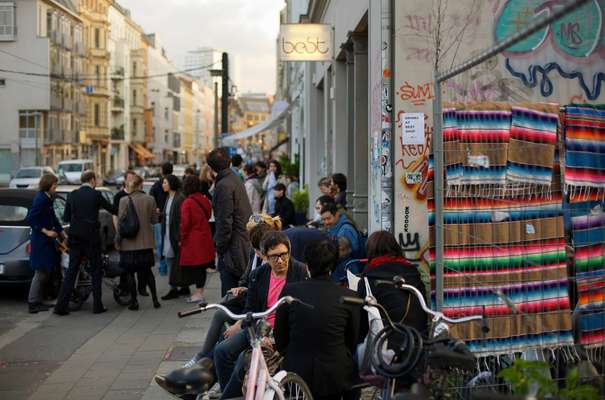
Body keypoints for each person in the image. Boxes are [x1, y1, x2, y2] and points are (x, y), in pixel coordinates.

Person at [214, 231, 308, 399]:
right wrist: (246, 326)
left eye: (283, 255)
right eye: (274, 257)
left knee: (244, 360)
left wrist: (275, 336)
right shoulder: (258, 275)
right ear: (265, 256)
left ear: (289, 251)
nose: (280, 261)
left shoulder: (300, 271)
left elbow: (302, 310)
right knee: (221, 351)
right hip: (259, 327)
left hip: (284, 329)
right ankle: (229, 392)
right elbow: (250, 308)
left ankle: (229, 396)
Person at [182, 221, 277, 369]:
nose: (255, 253)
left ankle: (206, 367)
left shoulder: (273, 268)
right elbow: (249, 283)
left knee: (224, 345)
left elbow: (260, 304)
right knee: (222, 319)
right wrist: (243, 288)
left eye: (257, 250)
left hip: (260, 323)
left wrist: (239, 325)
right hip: (253, 314)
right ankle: (204, 364)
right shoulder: (258, 260)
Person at [275, 240, 360, 400]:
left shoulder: (290, 291)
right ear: (333, 265)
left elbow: (280, 340)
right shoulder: (350, 297)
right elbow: (352, 341)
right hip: (335, 374)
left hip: (296, 374)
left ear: (307, 265)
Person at [54, 171, 115, 315]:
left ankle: (60, 307)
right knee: (96, 271)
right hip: (91, 239)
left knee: (71, 272)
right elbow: (111, 209)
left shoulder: (73, 195)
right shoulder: (96, 195)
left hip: (75, 238)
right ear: (92, 180)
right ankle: (97, 306)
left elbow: (66, 217)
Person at [357, 231, 428, 342]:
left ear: (370, 251)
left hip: (386, 343)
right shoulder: (413, 273)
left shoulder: (368, 279)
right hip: (418, 339)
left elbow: (362, 321)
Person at [207, 148, 253, 296]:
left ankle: (233, 319)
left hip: (233, 247)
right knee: (239, 292)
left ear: (211, 168)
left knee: (231, 296)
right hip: (241, 241)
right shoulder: (234, 179)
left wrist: (220, 247)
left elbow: (224, 221)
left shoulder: (223, 185)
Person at [117, 174, 161, 311]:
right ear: (141, 185)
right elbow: (154, 221)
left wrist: (117, 240)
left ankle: (134, 301)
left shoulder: (124, 200)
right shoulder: (150, 199)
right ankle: (155, 300)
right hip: (145, 244)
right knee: (148, 272)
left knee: (130, 273)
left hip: (128, 244)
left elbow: (120, 222)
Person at [26, 173, 66, 314]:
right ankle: (32, 303)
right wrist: (46, 232)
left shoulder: (48, 198)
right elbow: (30, 219)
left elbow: (53, 218)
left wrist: (61, 232)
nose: (56, 187)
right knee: (40, 272)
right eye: (54, 185)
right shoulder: (41, 199)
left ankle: (38, 301)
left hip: (46, 242)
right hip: (40, 242)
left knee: (45, 271)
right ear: (48, 185)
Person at [179, 175, 215, 303]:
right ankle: (199, 292)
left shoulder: (187, 202)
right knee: (201, 267)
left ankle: (198, 293)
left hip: (193, 240)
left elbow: (185, 223)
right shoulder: (204, 199)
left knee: (195, 267)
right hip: (205, 236)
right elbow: (209, 214)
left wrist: (181, 238)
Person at [160, 175, 187, 301]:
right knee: (172, 260)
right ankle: (180, 286)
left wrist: (180, 237)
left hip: (174, 236)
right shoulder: (169, 198)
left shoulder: (179, 198)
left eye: (165, 182)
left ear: (171, 184)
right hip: (168, 234)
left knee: (173, 261)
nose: (163, 185)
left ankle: (174, 288)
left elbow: (181, 219)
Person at [150, 162, 173, 276]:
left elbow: (151, 199)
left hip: (159, 219)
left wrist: (156, 209)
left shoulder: (156, 185)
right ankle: (172, 267)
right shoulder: (175, 183)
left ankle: (163, 267)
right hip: (172, 219)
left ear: (162, 170)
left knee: (160, 244)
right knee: (172, 242)